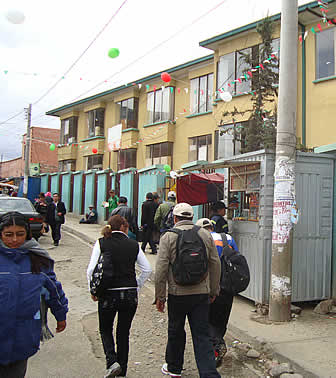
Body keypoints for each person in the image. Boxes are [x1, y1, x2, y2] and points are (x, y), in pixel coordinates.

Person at [155, 203, 221, 378]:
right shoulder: (205, 235)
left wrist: (160, 297)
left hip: (177, 294)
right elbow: (215, 263)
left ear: (175, 218)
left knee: (175, 331)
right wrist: (213, 290)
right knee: (202, 335)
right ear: (192, 217)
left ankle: (174, 368)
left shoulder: (168, 237)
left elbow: (161, 269)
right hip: (201, 294)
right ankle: (208, 374)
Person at [0, 211, 68, 377]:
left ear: (28, 234)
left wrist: (61, 315)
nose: (14, 240)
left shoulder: (38, 259)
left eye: (20, 234)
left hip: (23, 336)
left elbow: (53, 290)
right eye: (8, 235)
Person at [87, 214, 152, 378]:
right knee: (123, 333)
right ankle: (122, 370)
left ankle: (112, 361)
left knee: (105, 329)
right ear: (124, 227)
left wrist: (93, 290)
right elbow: (147, 269)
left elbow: (91, 270)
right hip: (129, 294)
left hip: (108, 294)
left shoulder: (102, 243)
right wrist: (137, 285)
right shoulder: (133, 244)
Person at [196, 218, 238, 367]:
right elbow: (236, 258)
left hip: (208, 285)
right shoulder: (228, 238)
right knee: (221, 319)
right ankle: (218, 344)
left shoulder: (199, 239)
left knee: (207, 319)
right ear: (212, 227)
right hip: (227, 287)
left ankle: (216, 346)